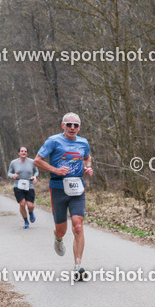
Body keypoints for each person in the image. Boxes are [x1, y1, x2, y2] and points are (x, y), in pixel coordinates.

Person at [34, 113, 93, 281]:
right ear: (63, 125)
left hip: (77, 188)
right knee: (62, 229)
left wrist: (87, 167)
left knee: (78, 226)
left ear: (80, 127)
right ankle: (58, 238)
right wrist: (55, 170)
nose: (72, 128)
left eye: (75, 125)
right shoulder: (53, 141)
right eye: (69, 125)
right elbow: (37, 160)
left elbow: (87, 157)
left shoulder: (83, 142)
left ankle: (78, 267)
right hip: (58, 188)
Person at [8, 147, 39, 228]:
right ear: (19, 153)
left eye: (25, 151)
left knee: (30, 205)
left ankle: (31, 212)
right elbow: (9, 173)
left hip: (29, 184)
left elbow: (36, 171)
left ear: (27, 153)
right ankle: (26, 221)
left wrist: (35, 177)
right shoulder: (13, 162)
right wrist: (13, 175)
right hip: (18, 184)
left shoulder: (32, 162)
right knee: (22, 204)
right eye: (22, 151)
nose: (23, 152)